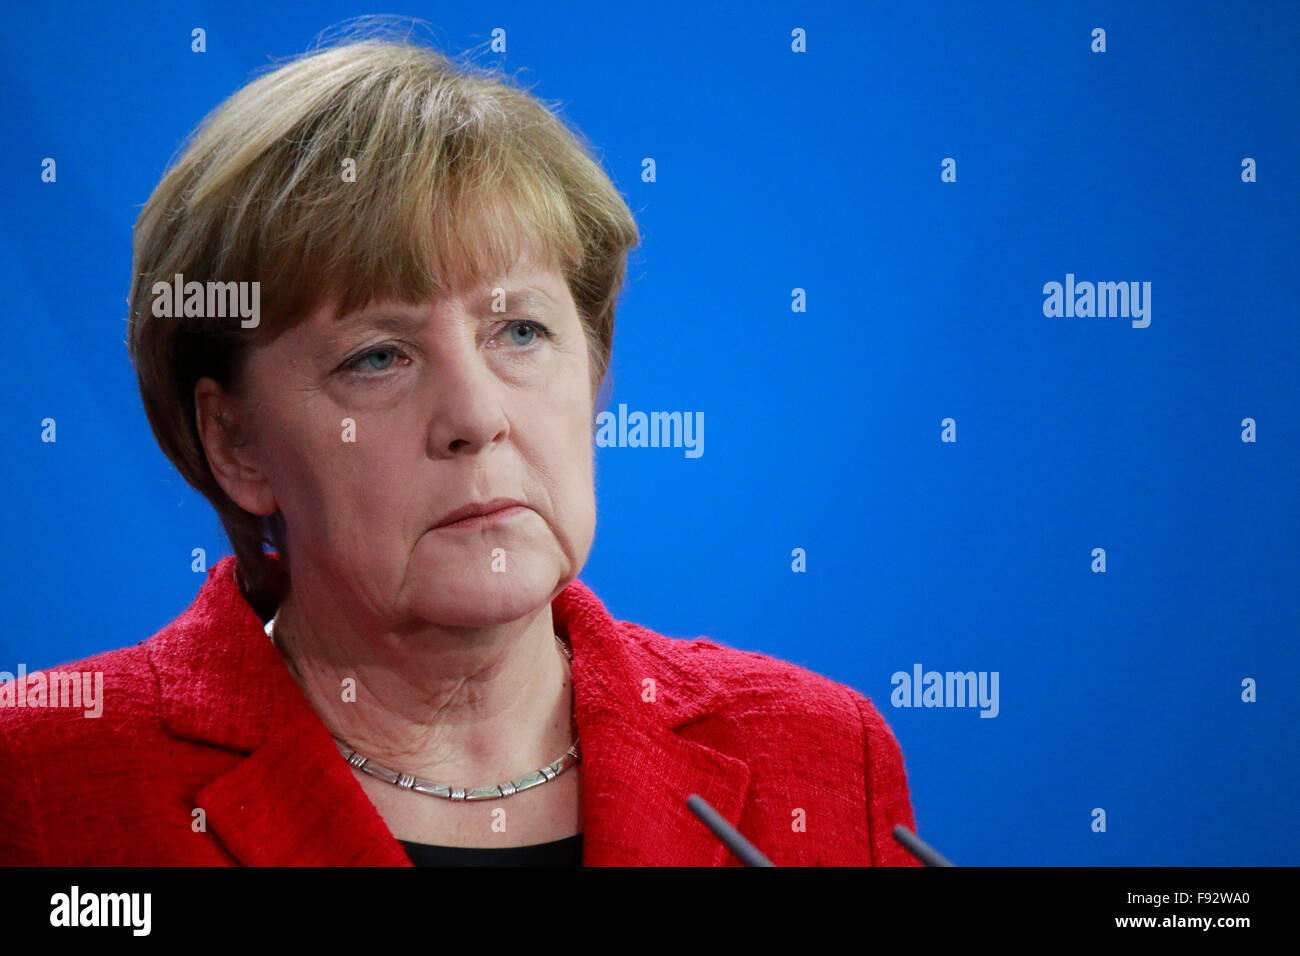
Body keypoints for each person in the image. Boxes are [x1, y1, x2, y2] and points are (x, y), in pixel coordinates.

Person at [0, 35, 920, 866]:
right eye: (378, 356)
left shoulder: (820, 751)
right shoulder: (43, 783)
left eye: (519, 331)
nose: (477, 417)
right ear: (238, 444)